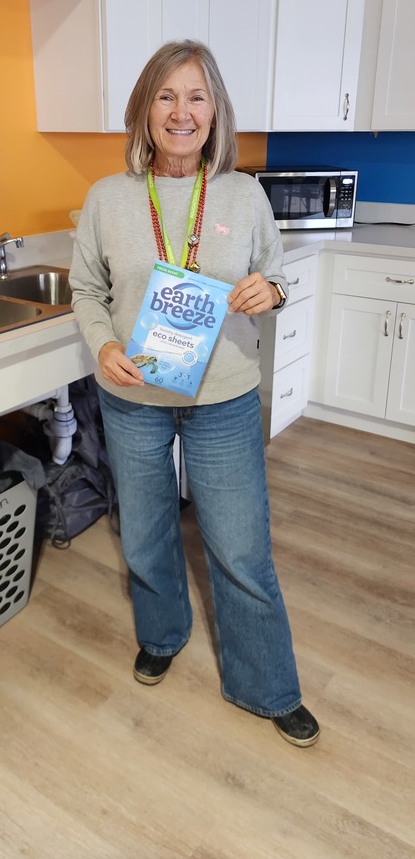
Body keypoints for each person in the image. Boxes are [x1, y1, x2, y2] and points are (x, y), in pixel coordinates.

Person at [69, 40, 320, 748]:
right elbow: (86, 289)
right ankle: (162, 632)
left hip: (224, 397)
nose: (182, 112)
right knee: (146, 535)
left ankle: (265, 683)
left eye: (197, 97)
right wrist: (105, 344)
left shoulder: (242, 194)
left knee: (240, 548)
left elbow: (276, 276)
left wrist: (268, 290)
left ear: (216, 112)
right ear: (144, 109)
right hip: (134, 397)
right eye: (166, 96)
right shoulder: (108, 198)